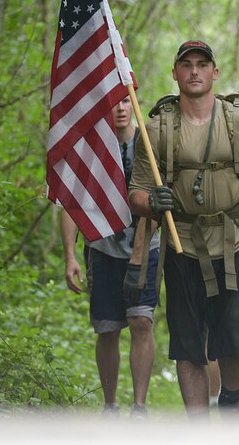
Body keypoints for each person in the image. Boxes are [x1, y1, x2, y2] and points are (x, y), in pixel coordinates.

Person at [128, 40, 239, 415]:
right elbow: (135, 192)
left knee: (237, 341)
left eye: (203, 64)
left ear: (215, 73)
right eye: (187, 65)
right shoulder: (155, 131)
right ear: (176, 73)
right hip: (182, 245)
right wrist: (151, 202)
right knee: (187, 346)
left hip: (238, 242)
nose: (195, 71)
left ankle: (231, 397)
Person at [61, 96, 160, 416]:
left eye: (124, 101)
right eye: (111, 102)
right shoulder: (91, 149)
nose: (119, 108)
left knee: (141, 321)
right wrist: (70, 256)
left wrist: (140, 252)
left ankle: (139, 407)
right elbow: (70, 202)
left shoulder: (149, 142)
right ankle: (110, 405)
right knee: (107, 327)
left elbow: (161, 198)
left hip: (145, 247)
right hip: (102, 248)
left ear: (132, 105)